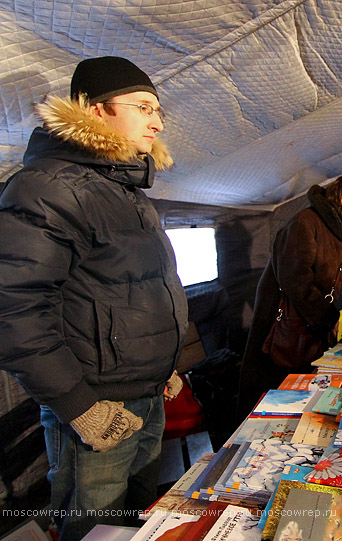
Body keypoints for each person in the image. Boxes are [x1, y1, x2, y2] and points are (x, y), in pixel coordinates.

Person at [0, 56, 188, 540]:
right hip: (97, 406)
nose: (157, 121)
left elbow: (136, 291)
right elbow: (16, 311)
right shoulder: (47, 188)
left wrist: (161, 366)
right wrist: (78, 405)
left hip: (145, 397)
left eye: (159, 110)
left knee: (136, 520)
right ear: (96, 109)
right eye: (144, 106)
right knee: (95, 526)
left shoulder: (126, 192)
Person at [237, 175, 342, 418]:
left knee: (304, 387)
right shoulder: (304, 223)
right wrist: (329, 318)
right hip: (281, 324)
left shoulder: (341, 233)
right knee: (274, 390)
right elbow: (296, 280)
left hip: (309, 323)